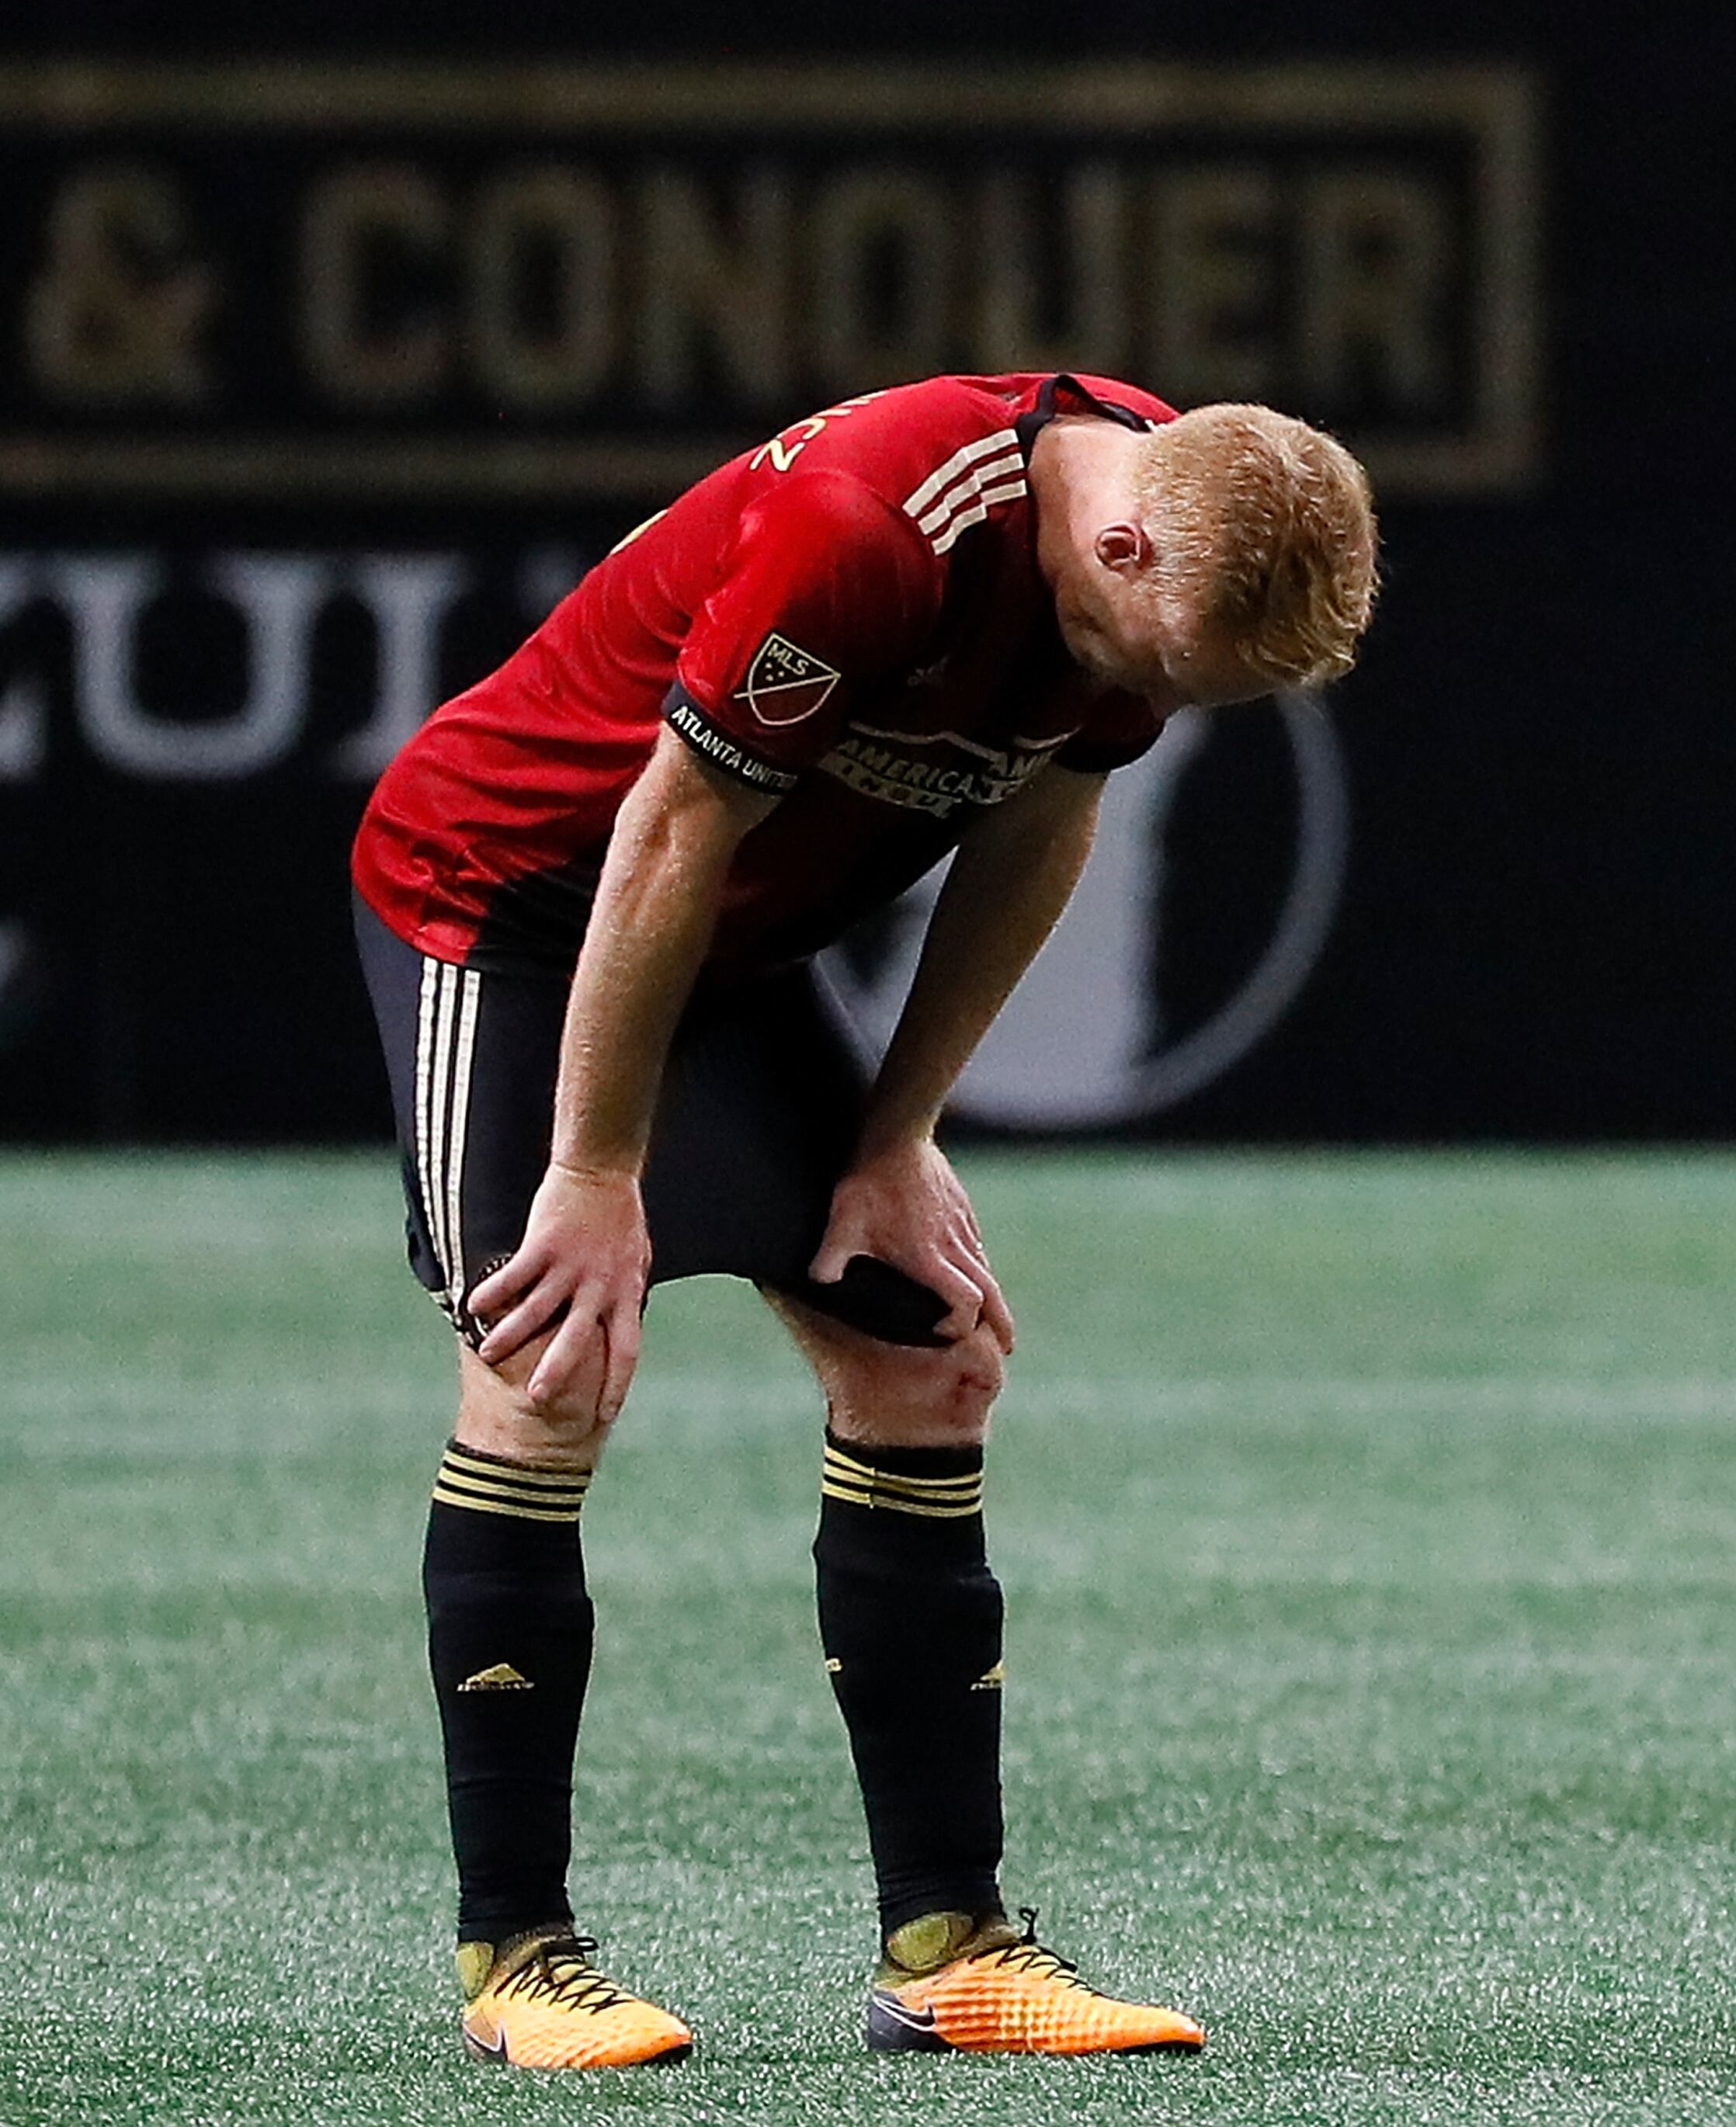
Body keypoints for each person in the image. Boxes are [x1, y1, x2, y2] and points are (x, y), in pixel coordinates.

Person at [348, 372, 1377, 2070]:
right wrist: (598, 1173)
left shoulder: (1154, 556)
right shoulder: (876, 528)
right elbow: (664, 836)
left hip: (729, 942)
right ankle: (518, 1951)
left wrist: (897, 1136)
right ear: (1118, 546)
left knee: (931, 1357)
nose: (1167, 701)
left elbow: (1041, 819)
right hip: (515, 898)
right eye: (1174, 669)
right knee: (551, 1354)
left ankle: (951, 1947)